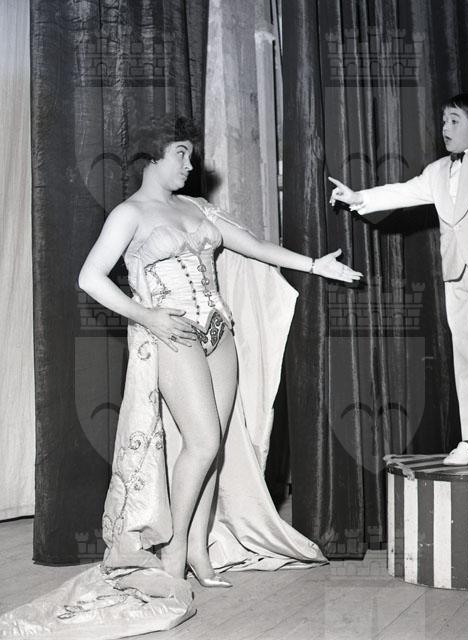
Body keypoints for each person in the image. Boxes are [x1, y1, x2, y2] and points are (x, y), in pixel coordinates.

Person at [0, 116, 362, 639]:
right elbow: (89, 277)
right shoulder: (129, 214)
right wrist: (146, 315)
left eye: (191, 155)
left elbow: (254, 245)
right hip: (174, 334)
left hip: (219, 331)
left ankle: (197, 550)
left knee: (213, 449)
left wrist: (314, 265)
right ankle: (172, 552)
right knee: (203, 441)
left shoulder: (196, 208)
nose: (191, 165)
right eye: (181, 154)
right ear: (152, 158)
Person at [328, 49, 468, 470]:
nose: (445, 128)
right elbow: (403, 192)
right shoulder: (438, 170)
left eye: (454, 121)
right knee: (466, 355)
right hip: (456, 272)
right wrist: (357, 198)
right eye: (444, 120)